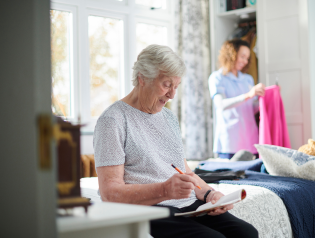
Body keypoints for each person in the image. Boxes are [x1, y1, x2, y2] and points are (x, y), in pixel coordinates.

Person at [93, 44, 258, 238]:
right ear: (142, 78)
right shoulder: (112, 121)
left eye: (176, 86)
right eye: (166, 84)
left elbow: (185, 171)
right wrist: (164, 189)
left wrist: (209, 194)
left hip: (187, 206)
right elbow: (110, 193)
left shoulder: (169, 117)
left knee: (247, 233)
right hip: (150, 209)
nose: (172, 95)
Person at [209, 39, 265, 159]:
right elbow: (221, 105)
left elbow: (250, 109)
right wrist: (248, 95)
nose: (245, 61)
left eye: (247, 58)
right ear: (231, 55)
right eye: (242, 56)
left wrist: (267, 98)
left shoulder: (248, 79)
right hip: (229, 141)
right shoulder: (217, 78)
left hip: (250, 139)